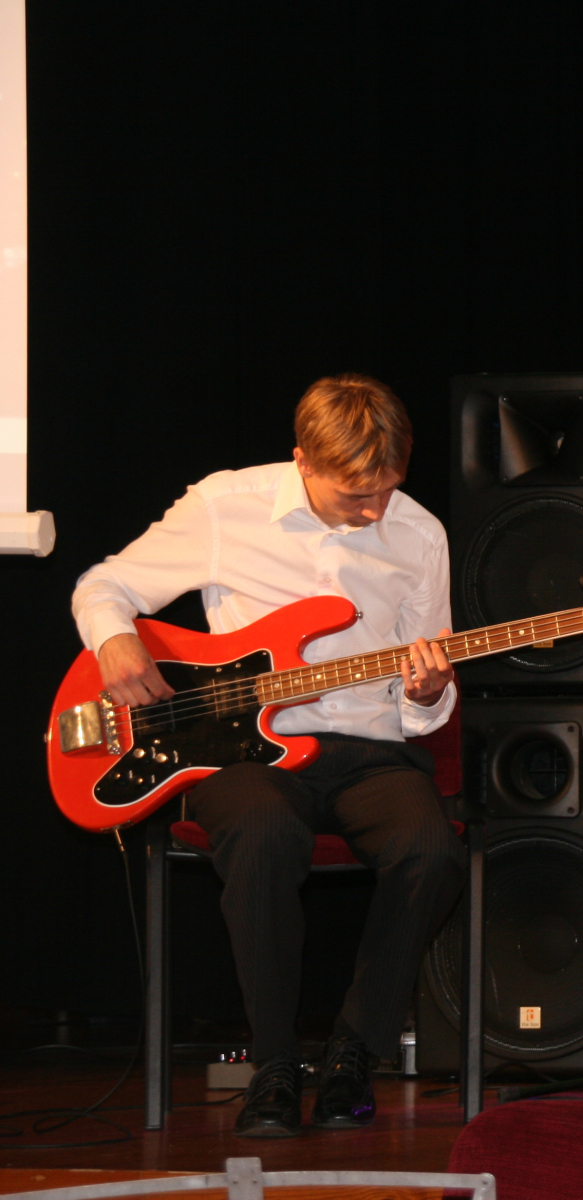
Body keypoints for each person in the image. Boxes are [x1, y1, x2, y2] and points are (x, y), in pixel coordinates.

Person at [71, 374, 465, 1138]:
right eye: (357, 494)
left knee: (431, 851)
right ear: (304, 462)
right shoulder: (227, 505)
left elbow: (425, 702)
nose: (375, 510)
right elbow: (104, 584)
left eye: (387, 489)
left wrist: (427, 691)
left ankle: (354, 1053)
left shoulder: (420, 535)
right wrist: (115, 640)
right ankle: (275, 1066)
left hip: (370, 748)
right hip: (243, 751)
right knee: (263, 832)